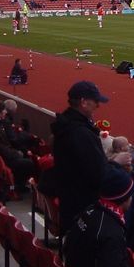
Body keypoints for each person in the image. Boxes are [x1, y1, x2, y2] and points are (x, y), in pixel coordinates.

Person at [51, 80, 109, 233]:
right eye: (95, 101)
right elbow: (98, 173)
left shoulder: (66, 125)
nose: (98, 105)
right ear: (83, 102)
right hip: (83, 207)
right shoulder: (80, 132)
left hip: (71, 203)